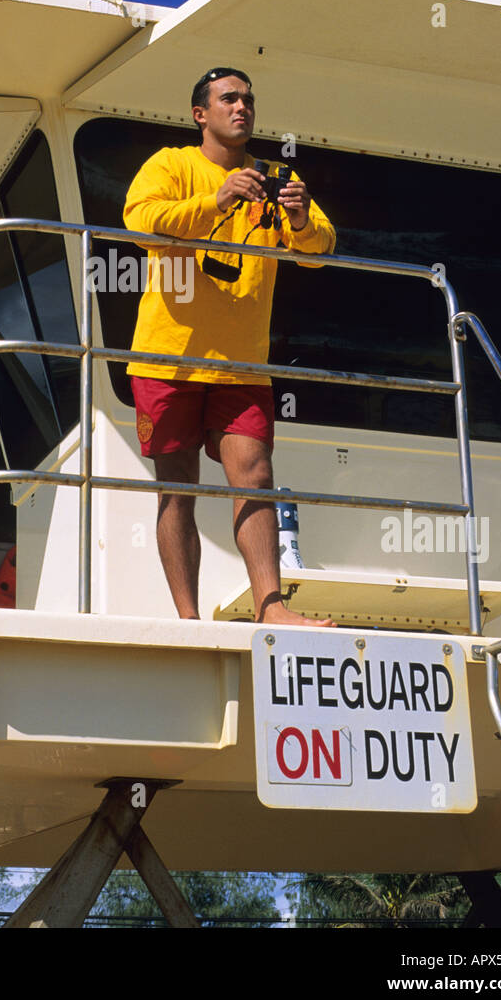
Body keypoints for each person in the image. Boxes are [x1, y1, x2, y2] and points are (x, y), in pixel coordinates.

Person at [123, 67, 337, 626]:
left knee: (256, 475)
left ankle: (271, 608)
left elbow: (319, 250)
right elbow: (141, 223)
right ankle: (187, 619)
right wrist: (216, 202)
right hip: (167, 357)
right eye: (228, 99)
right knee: (177, 489)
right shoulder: (171, 163)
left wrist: (297, 216)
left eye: (248, 99)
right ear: (201, 114)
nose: (241, 107)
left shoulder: (273, 177)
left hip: (242, 366)